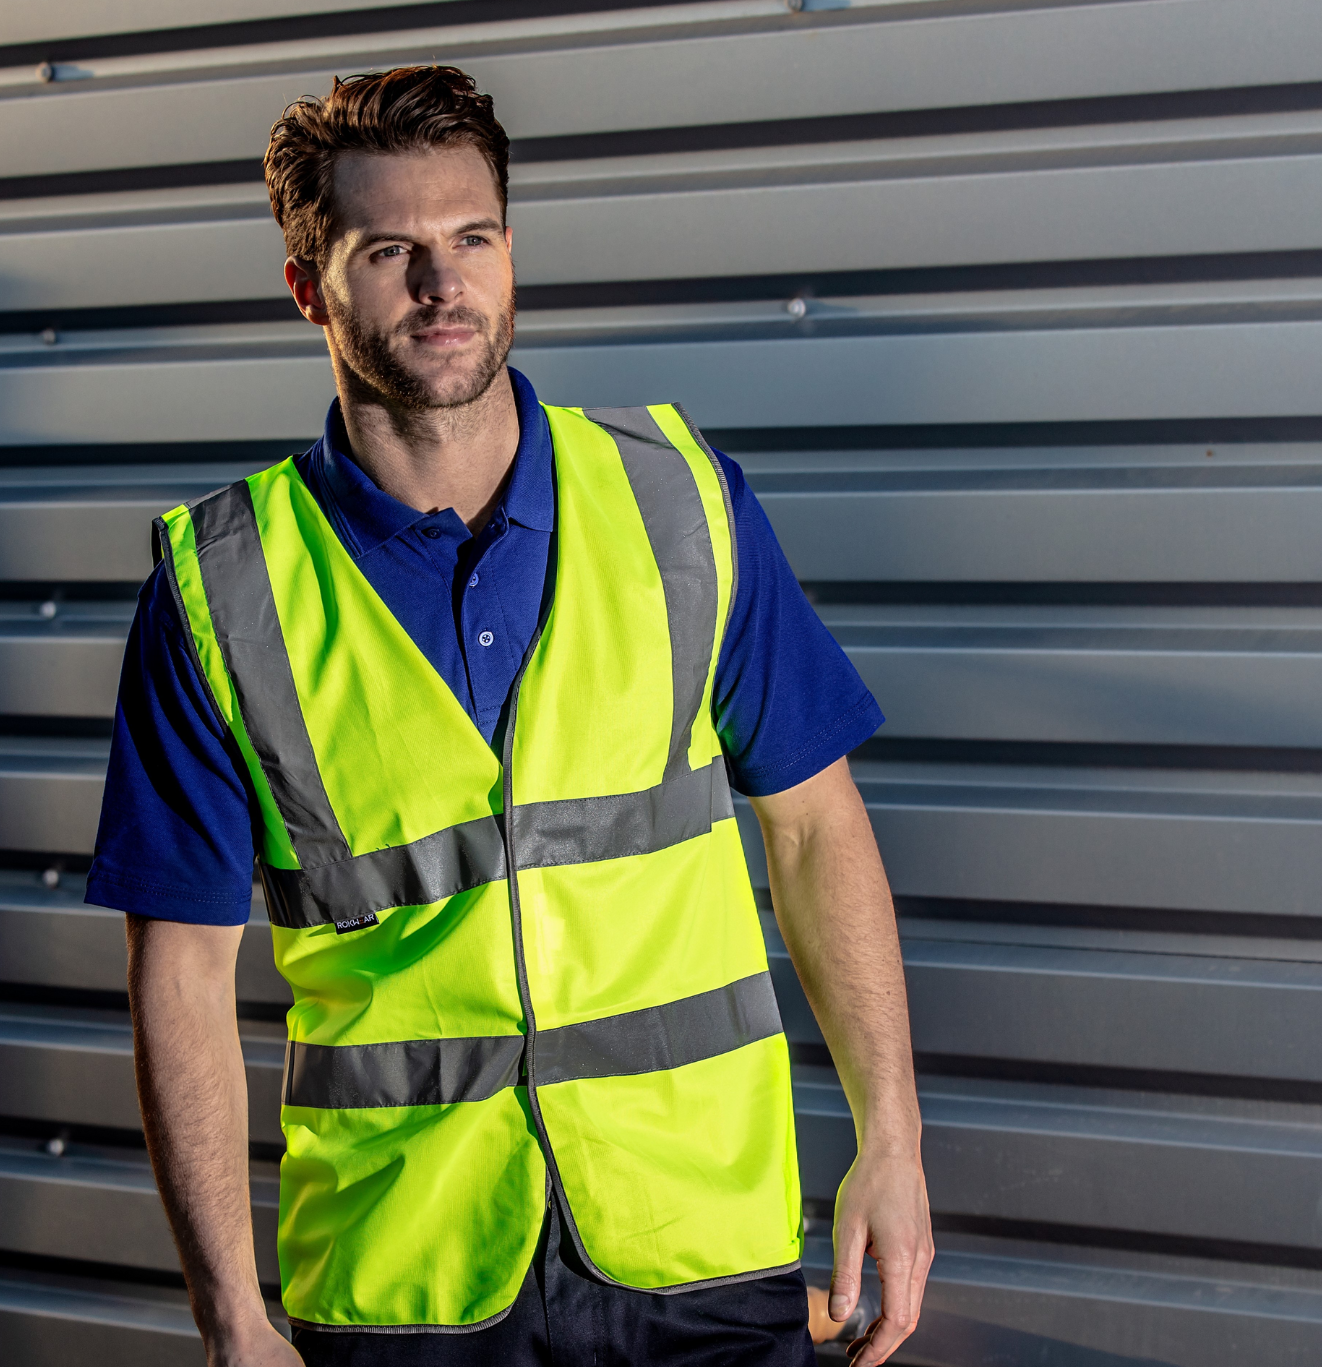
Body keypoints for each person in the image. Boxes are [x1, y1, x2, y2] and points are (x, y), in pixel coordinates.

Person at [87, 64, 931, 1367]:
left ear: (511, 250)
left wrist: (893, 1137)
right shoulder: (224, 589)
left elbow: (819, 828)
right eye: (391, 251)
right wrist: (232, 1313)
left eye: (473, 237)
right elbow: (182, 973)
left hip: (697, 1246)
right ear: (310, 288)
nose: (444, 284)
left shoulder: (678, 504)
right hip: (405, 1280)